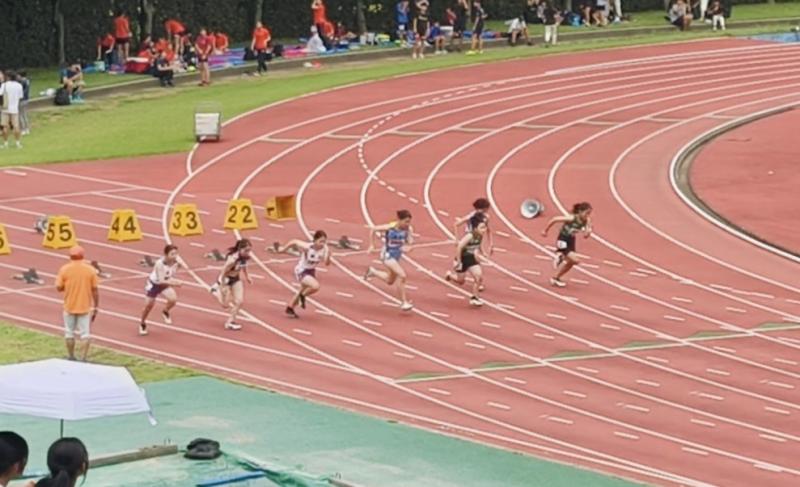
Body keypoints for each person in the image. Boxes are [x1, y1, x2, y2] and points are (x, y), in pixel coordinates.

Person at [364, 210, 415, 311]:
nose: (408, 224)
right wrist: (372, 245)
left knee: (390, 280)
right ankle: (404, 302)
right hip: (387, 255)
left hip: (396, 256)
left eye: (409, 221)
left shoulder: (409, 229)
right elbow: (373, 229)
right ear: (399, 220)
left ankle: (373, 272)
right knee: (402, 275)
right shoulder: (390, 227)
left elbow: (410, 243)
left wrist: (408, 247)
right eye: (406, 221)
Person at [55, 246, 100, 361]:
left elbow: (58, 287)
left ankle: (71, 356)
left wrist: (68, 287)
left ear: (70, 256)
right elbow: (95, 290)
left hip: (69, 306)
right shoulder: (90, 270)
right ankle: (83, 358)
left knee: (69, 333)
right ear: (83, 255)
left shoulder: (64, 269)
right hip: (84, 306)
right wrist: (96, 306)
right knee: (85, 334)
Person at [276, 230, 331, 319]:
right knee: (315, 286)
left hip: (311, 271)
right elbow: (294, 241)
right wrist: (283, 250)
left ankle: (290, 308)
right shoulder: (307, 247)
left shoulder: (325, 248)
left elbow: (326, 263)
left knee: (302, 289)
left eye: (324, 241)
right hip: (302, 270)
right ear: (315, 240)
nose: (322, 244)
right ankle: (302, 296)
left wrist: (328, 256)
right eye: (320, 241)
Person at [541, 202, 593, 287]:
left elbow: (585, 236)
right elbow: (555, 219)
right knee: (575, 260)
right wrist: (545, 230)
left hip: (571, 240)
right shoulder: (572, 218)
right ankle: (560, 256)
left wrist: (588, 231)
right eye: (586, 213)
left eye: (589, 213)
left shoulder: (587, 220)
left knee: (573, 262)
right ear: (580, 211)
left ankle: (556, 277)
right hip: (563, 239)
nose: (587, 215)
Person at [446, 213, 489, 306]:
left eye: (485, 227)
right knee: (461, 281)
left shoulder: (480, 235)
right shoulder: (470, 236)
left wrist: (483, 252)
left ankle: (474, 298)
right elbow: (459, 247)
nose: (484, 230)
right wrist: (459, 261)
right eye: (482, 227)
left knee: (478, 277)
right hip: (462, 259)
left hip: (471, 258)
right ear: (475, 228)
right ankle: (450, 276)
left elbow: (479, 244)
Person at [210, 239, 253, 330]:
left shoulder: (244, 257)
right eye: (246, 250)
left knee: (239, 301)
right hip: (226, 279)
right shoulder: (232, 260)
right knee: (225, 305)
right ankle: (215, 290)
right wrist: (222, 285)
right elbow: (223, 272)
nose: (248, 253)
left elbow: (244, 265)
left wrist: (247, 276)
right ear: (240, 249)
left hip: (236, 279)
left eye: (249, 250)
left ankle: (230, 322)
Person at [139, 245, 181, 335]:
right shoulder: (160, 264)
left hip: (165, 284)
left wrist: (174, 278)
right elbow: (161, 280)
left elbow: (169, 275)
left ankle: (165, 311)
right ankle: (142, 323)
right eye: (172, 254)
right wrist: (175, 283)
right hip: (154, 285)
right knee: (148, 306)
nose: (174, 256)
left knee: (173, 300)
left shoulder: (175, 263)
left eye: (176, 254)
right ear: (166, 254)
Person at [0, 71, 24, 149]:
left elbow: (0, 95)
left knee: (5, 126)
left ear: (8, 77)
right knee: (16, 126)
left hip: (5, 108)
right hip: (15, 108)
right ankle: (18, 143)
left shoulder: (4, 85)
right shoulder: (19, 85)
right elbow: (20, 97)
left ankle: (6, 143)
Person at [17, 71, 30, 136]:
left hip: (21, 100)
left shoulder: (22, 82)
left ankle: (23, 129)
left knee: (20, 115)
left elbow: (21, 91)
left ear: (20, 75)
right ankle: (27, 129)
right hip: (26, 99)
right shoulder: (27, 81)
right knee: (24, 114)